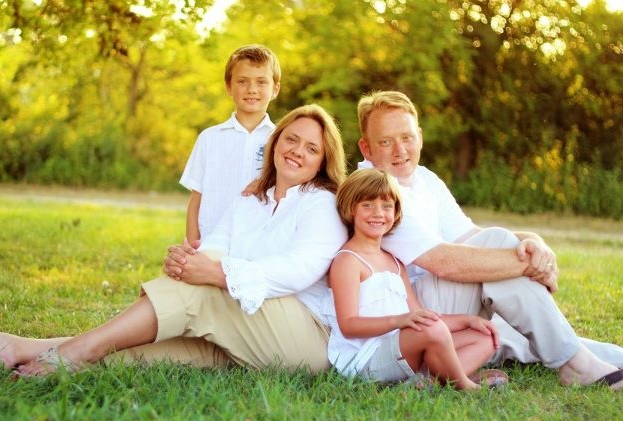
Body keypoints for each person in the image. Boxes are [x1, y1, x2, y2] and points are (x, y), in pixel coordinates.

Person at [0, 104, 348, 376]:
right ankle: (20, 348)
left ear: (322, 160)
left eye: (310, 148)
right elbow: (216, 242)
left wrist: (214, 273)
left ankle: (74, 353)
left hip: (303, 344)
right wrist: (191, 260)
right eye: (291, 139)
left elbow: (298, 270)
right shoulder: (250, 198)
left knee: (200, 292)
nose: (297, 150)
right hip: (246, 337)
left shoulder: (321, 204)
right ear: (275, 143)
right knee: (150, 351)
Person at [355, 90, 623, 389]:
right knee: (499, 245)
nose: (399, 150)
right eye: (385, 141)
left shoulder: (424, 179)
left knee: (534, 334)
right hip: (407, 317)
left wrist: (535, 243)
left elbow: (470, 237)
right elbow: (445, 263)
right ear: (366, 148)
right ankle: (577, 367)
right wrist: (525, 263)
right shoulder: (373, 192)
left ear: (419, 136)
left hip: (443, 305)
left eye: (406, 137)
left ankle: (588, 362)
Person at [323, 168, 506, 390]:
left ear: (396, 211)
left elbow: (422, 316)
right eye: (367, 205)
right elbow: (349, 326)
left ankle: (427, 382)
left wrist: (468, 320)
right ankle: (465, 385)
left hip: (406, 347)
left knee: (484, 337)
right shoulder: (348, 261)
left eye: (386, 206)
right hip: (368, 358)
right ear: (350, 209)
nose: (378, 213)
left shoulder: (395, 262)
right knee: (432, 330)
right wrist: (399, 321)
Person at [181, 44, 280, 243]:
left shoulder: (281, 139)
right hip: (210, 243)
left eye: (261, 82)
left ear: (275, 89)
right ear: (229, 87)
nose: (252, 89)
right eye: (242, 81)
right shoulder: (209, 138)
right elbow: (196, 200)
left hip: (259, 244)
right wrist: (192, 246)